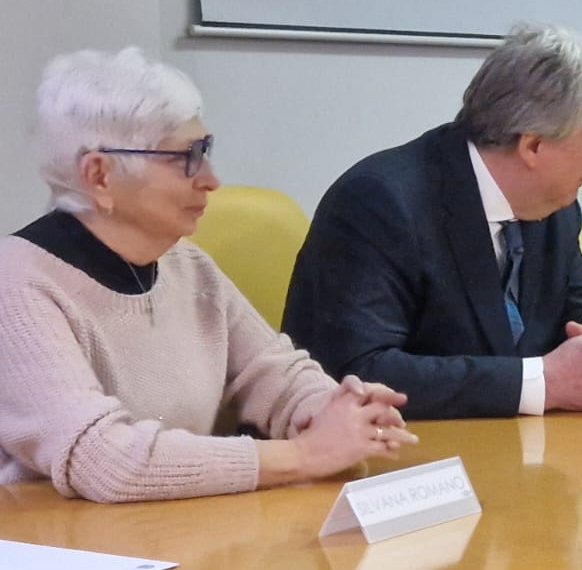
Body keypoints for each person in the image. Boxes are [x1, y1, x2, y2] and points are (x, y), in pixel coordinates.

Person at [0, 48, 414, 504]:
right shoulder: (16, 284)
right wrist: (305, 455)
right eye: (187, 158)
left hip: (169, 526)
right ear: (99, 175)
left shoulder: (188, 265)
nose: (212, 179)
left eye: (206, 151)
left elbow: (274, 373)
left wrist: (335, 411)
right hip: (55, 537)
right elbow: (104, 461)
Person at [282, 22, 582, 420]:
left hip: (513, 443)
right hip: (395, 448)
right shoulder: (380, 203)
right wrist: (543, 382)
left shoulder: (553, 208)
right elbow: (358, 370)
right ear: (533, 146)